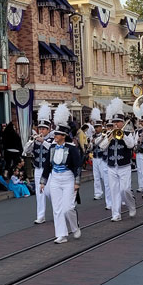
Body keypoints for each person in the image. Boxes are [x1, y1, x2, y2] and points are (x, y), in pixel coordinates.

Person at [40, 103, 81, 244]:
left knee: (67, 208)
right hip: (56, 180)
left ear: (63, 136)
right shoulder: (51, 147)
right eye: (55, 134)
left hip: (68, 179)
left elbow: (77, 166)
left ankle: (75, 227)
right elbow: (47, 165)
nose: (55, 136)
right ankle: (61, 234)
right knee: (57, 209)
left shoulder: (72, 148)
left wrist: (77, 182)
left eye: (57, 134)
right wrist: (43, 181)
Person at [99, 97, 136, 222]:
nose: (116, 124)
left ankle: (131, 206)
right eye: (114, 122)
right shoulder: (109, 134)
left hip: (124, 166)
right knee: (114, 190)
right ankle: (116, 214)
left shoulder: (128, 133)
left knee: (125, 189)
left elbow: (131, 145)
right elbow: (101, 146)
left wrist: (122, 135)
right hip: (111, 166)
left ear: (122, 122)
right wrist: (110, 137)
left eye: (118, 122)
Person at [23, 102, 54, 224]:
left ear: (48, 129)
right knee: (39, 192)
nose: (41, 130)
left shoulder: (52, 139)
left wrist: (43, 141)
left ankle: (59, 208)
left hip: (50, 170)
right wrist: (31, 141)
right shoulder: (35, 139)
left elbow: (52, 149)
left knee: (50, 192)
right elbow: (26, 151)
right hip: (37, 168)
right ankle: (40, 216)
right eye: (40, 128)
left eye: (44, 129)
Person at [89, 108, 112, 209]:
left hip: (103, 158)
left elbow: (103, 145)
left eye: (98, 127)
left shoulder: (106, 135)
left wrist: (98, 139)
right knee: (96, 177)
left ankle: (109, 200)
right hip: (95, 157)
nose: (97, 128)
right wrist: (91, 142)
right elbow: (90, 147)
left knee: (105, 178)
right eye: (95, 127)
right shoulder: (92, 136)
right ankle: (98, 193)